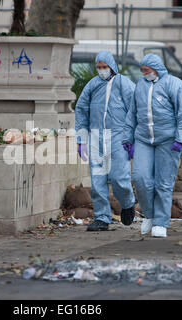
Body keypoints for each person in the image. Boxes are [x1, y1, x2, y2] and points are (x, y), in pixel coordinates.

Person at [122, 54, 182, 238]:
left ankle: (161, 222)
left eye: (147, 70)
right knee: (140, 178)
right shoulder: (140, 87)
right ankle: (150, 215)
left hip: (168, 140)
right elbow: (132, 114)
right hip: (144, 139)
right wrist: (128, 139)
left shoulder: (175, 85)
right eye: (142, 71)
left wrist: (181, 139)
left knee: (164, 182)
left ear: (156, 68)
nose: (145, 74)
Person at [75, 51, 136, 232]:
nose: (102, 70)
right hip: (96, 136)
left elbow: (135, 110)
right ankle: (102, 218)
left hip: (118, 136)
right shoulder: (93, 85)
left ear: (111, 66)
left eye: (104, 67)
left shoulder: (124, 84)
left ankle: (127, 203)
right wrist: (82, 140)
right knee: (98, 180)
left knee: (119, 177)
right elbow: (81, 110)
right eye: (99, 67)